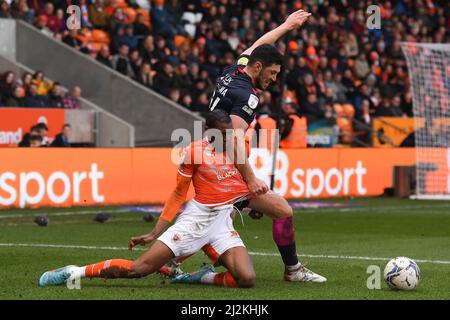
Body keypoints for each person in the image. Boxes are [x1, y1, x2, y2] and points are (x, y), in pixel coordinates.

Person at [165, 9, 326, 283]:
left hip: (208, 156)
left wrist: (286, 25)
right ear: (259, 68)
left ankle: (171, 259)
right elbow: (233, 140)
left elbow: (259, 45)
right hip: (222, 167)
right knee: (283, 211)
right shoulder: (247, 96)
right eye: (273, 74)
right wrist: (249, 180)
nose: (273, 80)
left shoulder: (235, 68)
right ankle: (293, 271)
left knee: (213, 216)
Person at [38, 110, 256, 289]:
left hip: (221, 222)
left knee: (246, 279)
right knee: (138, 269)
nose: (227, 138)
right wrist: (155, 232)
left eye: (229, 133)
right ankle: (74, 272)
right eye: (222, 134)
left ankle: (196, 277)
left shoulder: (237, 147)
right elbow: (179, 193)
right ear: (209, 132)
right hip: (196, 221)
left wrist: (252, 202)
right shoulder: (194, 152)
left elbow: (244, 182)